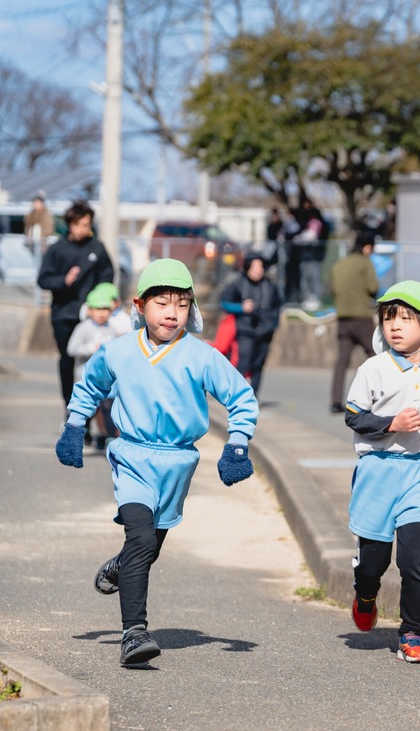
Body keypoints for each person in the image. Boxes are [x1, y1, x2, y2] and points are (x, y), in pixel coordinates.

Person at [53, 258, 259, 667]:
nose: (171, 312)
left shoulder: (201, 355)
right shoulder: (119, 350)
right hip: (132, 456)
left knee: (146, 549)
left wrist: (237, 444)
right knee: (142, 539)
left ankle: (119, 565)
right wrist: (75, 427)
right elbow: (89, 386)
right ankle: (134, 633)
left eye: (181, 304)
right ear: (139, 305)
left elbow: (241, 397)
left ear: (192, 309)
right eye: (162, 303)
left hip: (178, 463)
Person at [343, 280, 420, 665]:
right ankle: (365, 594)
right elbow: (354, 416)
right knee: (374, 563)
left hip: (419, 474)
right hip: (377, 471)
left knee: (415, 559)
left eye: (406, 319)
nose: (395, 326)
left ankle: (412, 632)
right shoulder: (373, 368)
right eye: (389, 318)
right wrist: (391, 424)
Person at [37, 200, 116, 408]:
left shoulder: (97, 248)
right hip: (63, 314)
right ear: (69, 223)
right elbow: (43, 279)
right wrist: (64, 280)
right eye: (78, 224)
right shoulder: (58, 249)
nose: (82, 229)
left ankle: (89, 413)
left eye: (86, 224)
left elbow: (107, 277)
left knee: (91, 362)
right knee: (67, 360)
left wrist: (103, 301)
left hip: (91, 317)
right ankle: (69, 407)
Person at [67, 282, 130, 449]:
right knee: (87, 409)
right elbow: (71, 348)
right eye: (97, 309)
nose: (102, 314)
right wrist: (90, 349)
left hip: (108, 380)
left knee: (108, 407)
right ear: (89, 310)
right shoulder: (83, 328)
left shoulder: (112, 329)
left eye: (105, 309)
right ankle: (83, 432)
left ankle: (108, 436)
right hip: (85, 377)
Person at [329, 228, 380, 413]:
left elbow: (332, 289)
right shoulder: (365, 263)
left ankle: (335, 401)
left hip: (343, 317)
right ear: (367, 248)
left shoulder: (339, 264)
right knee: (377, 356)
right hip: (362, 317)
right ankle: (383, 398)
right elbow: (373, 287)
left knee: (342, 361)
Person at [219, 251, 282, 396]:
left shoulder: (271, 287)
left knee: (258, 365)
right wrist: (241, 307)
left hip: (265, 332)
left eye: (260, 267)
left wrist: (271, 325)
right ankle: (237, 394)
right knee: (244, 361)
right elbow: (224, 303)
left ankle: (254, 395)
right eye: (253, 267)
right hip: (245, 330)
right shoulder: (237, 284)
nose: (257, 270)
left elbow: (276, 309)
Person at [293, 198, 328, 310]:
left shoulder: (316, 223)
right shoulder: (305, 224)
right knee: (305, 278)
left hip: (314, 256)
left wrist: (299, 238)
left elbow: (309, 237)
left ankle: (316, 299)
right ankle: (307, 298)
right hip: (305, 256)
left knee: (314, 278)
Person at [23, 192, 55, 258]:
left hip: (43, 243)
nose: (35, 204)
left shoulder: (46, 214)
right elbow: (27, 224)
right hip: (32, 242)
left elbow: (49, 228)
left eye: (37, 203)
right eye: (34, 203)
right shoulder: (31, 214)